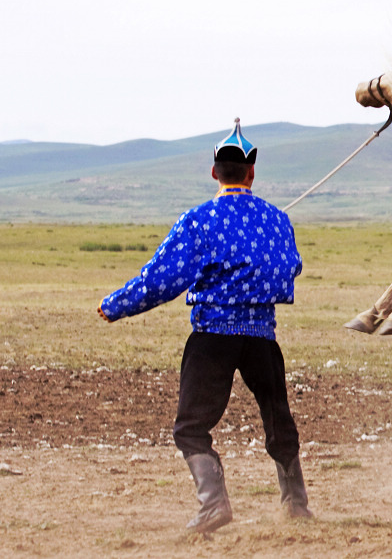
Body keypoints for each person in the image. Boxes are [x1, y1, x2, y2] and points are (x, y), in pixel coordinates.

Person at [97, 118, 312, 533]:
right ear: (251, 172)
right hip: (262, 338)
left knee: (191, 428)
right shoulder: (277, 220)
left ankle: (214, 504)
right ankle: (296, 504)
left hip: (213, 337)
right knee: (277, 418)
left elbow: (162, 278)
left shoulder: (198, 220)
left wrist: (116, 305)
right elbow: (292, 268)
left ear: (215, 171)